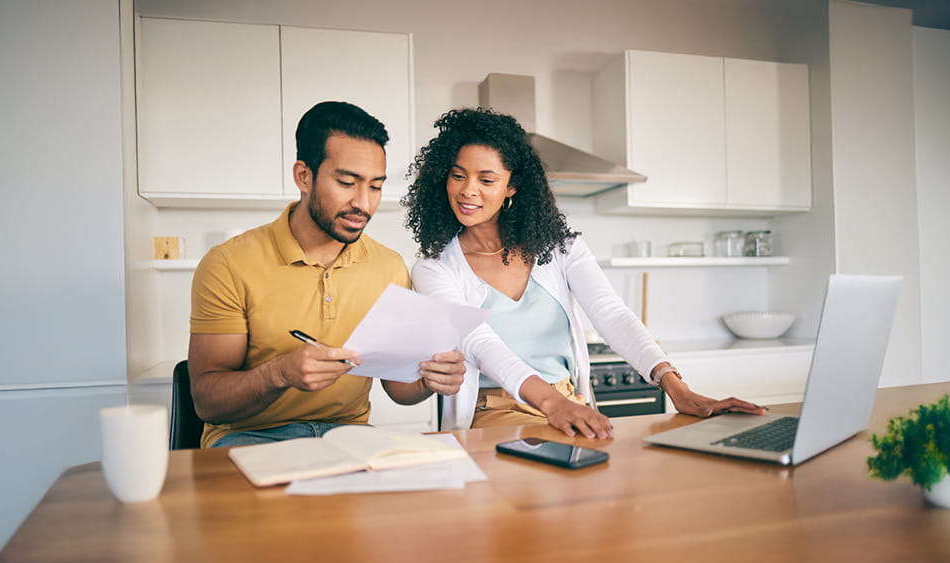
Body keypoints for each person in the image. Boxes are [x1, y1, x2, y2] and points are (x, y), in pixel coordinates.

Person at [403, 107, 765, 439]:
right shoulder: (434, 268)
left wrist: (677, 389)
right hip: (495, 413)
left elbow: (612, 314)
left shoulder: (561, 248)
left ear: (511, 187)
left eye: (486, 180)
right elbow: (479, 344)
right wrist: (549, 403)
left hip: (568, 402)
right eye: (458, 176)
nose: (468, 190)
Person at [189, 101, 466, 448]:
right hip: (249, 437)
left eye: (376, 186)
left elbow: (398, 389)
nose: (364, 203)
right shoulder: (228, 264)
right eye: (347, 182)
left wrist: (430, 379)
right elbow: (207, 402)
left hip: (349, 437)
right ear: (304, 176)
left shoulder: (389, 267)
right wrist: (280, 373)